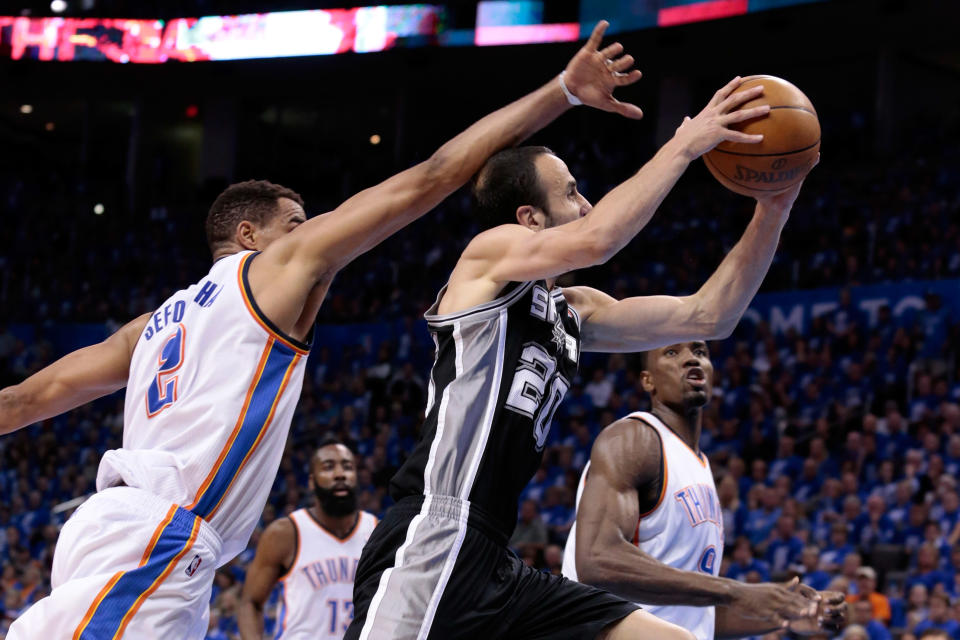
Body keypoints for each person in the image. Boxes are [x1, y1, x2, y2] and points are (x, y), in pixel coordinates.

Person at [0, 21, 635, 637]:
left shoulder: (149, 329)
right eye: (296, 223)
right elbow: (434, 175)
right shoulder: (269, 273)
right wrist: (564, 91)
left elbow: (26, 401)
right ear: (249, 237)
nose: (310, 234)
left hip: (119, 531)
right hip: (160, 533)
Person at [347, 37, 811, 640]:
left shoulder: (573, 309)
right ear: (528, 221)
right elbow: (600, 240)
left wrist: (774, 208)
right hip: (435, 533)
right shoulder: (488, 259)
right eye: (570, 192)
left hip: (496, 557)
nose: (586, 203)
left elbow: (709, 317)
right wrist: (684, 145)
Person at [562, 342, 846, 639]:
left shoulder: (700, 465)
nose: (690, 359)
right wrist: (733, 590)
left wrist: (784, 615)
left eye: (700, 352)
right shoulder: (633, 438)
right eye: (672, 352)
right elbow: (596, 560)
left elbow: (695, 612)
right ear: (648, 380)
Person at [238, 439, 376, 640]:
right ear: (312, 481)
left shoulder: (376, 532)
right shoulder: (285, 533)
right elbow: (250, 603)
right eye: (328, 467)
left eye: (348, 467)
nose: (340, 474)